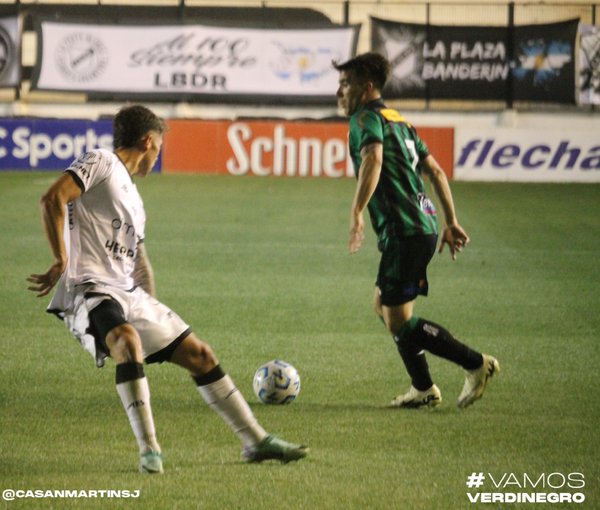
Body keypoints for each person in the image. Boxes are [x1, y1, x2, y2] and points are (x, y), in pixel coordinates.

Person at [27, 105, 307, 473]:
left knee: (201, 355)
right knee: (127, 343)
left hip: (128, 293)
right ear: (148, 141)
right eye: (158, 147)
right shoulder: (101, 162)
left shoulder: (135, 199)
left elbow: (139, 261)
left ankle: (256, 441)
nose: (158, 156)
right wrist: (61, 259)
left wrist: (154, 309)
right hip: (90, 289)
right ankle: (150, 451)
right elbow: (52, 199)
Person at [333, 53, 500, 409]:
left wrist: (357, 211)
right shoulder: (401, 122)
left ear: (366, 88)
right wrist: (451, 221)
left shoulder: (365, 118)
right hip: (423, 225)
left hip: (403, 230)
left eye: (345, 84)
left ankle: (475, 363)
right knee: (383, 305)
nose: (338, 91)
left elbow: (373, 158)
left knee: (398, 320)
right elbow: (436, 172)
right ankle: (423, 388)